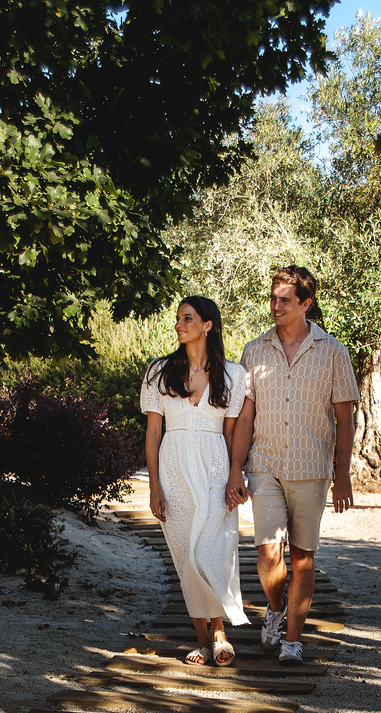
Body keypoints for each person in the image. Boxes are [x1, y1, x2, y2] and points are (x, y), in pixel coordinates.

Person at [226, 266, 359, 666]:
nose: (275, 305)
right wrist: (236, 469)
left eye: (285, 299)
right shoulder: (254, 350)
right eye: (273, 297)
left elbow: (345, 419)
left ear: (306, 303)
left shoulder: (333, 351)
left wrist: (342, 475)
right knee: (267, 553)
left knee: (302, 557)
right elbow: (245, 417)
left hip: (312, 467)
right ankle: (275, 608)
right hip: (264, 464)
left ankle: (293, 641)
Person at [141, 296, 249, 667]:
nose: (179, 324)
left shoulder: (234, 374)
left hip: (215, 467)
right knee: (187, 555)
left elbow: (234, 433)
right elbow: (153, 433)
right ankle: (205, 638)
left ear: (208, 325)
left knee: (212, 549)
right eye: (177, 319)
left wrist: (236, 474)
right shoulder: (159, 371)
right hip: (173, 468)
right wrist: (154, 485)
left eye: (188, 318)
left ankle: (219, 629)